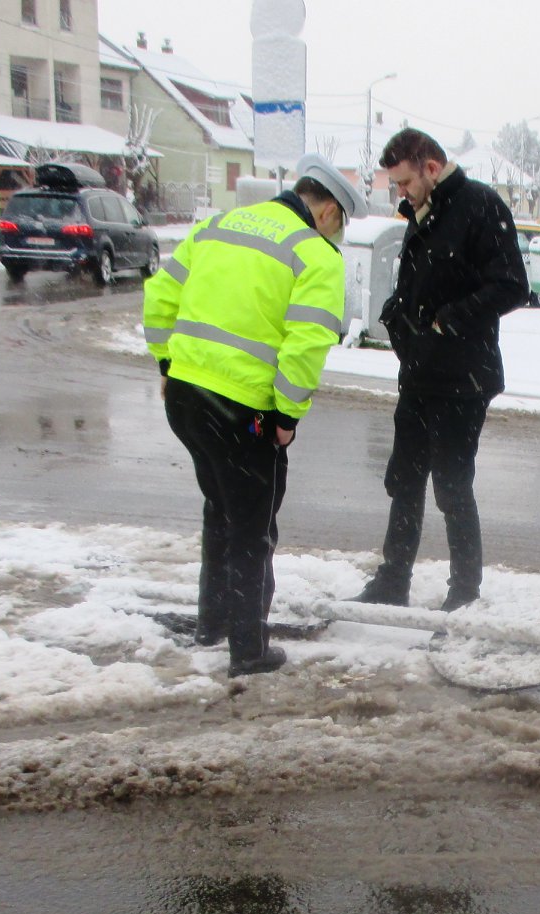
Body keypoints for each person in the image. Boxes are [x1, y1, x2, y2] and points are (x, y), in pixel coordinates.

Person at [143, 153, 364, 678]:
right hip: (245, 412)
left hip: (188, 398)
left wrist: (167, 363)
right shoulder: (314, 254)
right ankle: (248, 649)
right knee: (252, 527)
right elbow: (306, 344)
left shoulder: (215, 227)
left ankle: (213, 622)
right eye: (342, 222)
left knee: (219, 508)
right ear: (329, 209)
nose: (338, 232)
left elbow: (159, 297)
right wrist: (287, 416)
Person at [350, 128, 530, 611]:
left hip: (463, 378)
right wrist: (396, 311)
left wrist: (451, 319)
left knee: (451, 487)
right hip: (420, 373)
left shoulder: (480, 206)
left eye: (405, 182)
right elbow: (423, 281)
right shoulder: (421, 212)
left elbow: (513, 285)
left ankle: (464, 593)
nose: (400, 193)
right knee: (403, 481)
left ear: (431, 168)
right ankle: (393, 582)